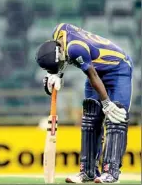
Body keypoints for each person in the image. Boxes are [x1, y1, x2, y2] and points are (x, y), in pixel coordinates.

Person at [36, 23, 132, 183]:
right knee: (90, 119)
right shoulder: (58, 34)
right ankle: (88, 171)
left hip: (118, 68)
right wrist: (57, 74)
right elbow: (63, 55)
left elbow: (92, 74)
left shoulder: (75, 48)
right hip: (95, 70)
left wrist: (107, 103)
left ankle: (111, 172)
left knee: (116, 118)